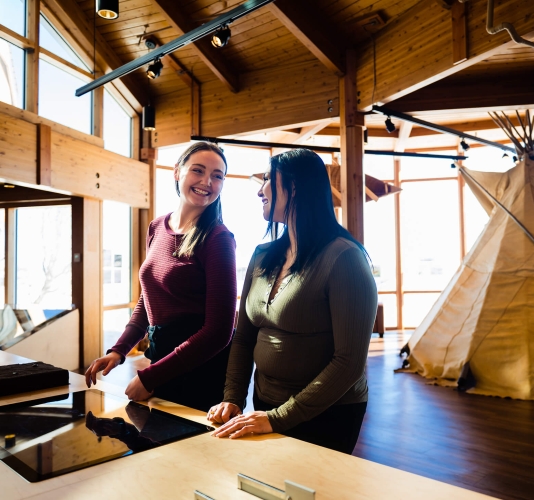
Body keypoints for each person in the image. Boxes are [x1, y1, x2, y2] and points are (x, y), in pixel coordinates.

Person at [207, 148, 377, 454]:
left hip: (329, 413)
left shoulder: (345, 258)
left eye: (270, 179)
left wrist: (279, 418)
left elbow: (349, 363)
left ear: (295, 187)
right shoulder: (262, 255)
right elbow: (244, 337)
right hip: (266, 404)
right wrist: (232, 397)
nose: (260, 190)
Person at [85, 142, 237, 412]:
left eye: (217, 176)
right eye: (198, 171)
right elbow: (148, 300)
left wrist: (149, 376)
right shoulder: (157, 226)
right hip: (162, 356)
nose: (207, 182)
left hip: (200, 366)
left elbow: (219, 332)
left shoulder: (218, 239)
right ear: (177, 172)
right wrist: (119, 351)